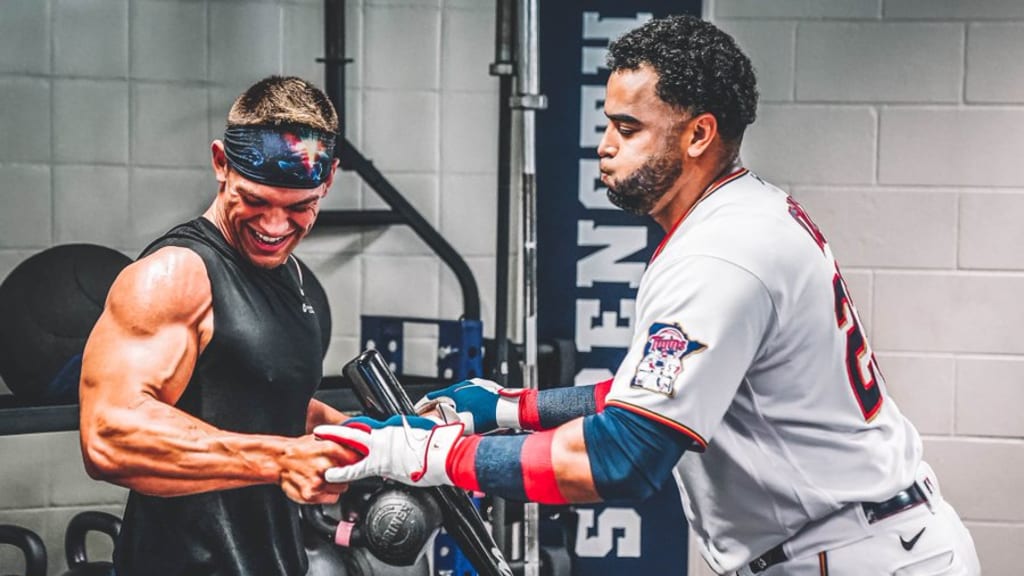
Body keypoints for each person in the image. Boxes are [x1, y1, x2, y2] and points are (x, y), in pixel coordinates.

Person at [314, 16, 982, 576]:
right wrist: (505, 407)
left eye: (629, 130)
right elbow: (665, 397)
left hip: (860, 556)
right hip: (855, 544)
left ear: (698, 134)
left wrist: (422, 454)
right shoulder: (740, 215)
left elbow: (620, 458)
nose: (604, 148)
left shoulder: (720, 256)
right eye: (609, 124)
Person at [79, 76, 360, 576]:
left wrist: (368, 438)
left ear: (329, 178)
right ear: (220, 163)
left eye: (300, 206)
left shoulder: (288, 275)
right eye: (255, 200)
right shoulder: (176, 273)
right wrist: (279, 460)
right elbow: (109, 434)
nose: (275, 227)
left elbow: (256, 396)